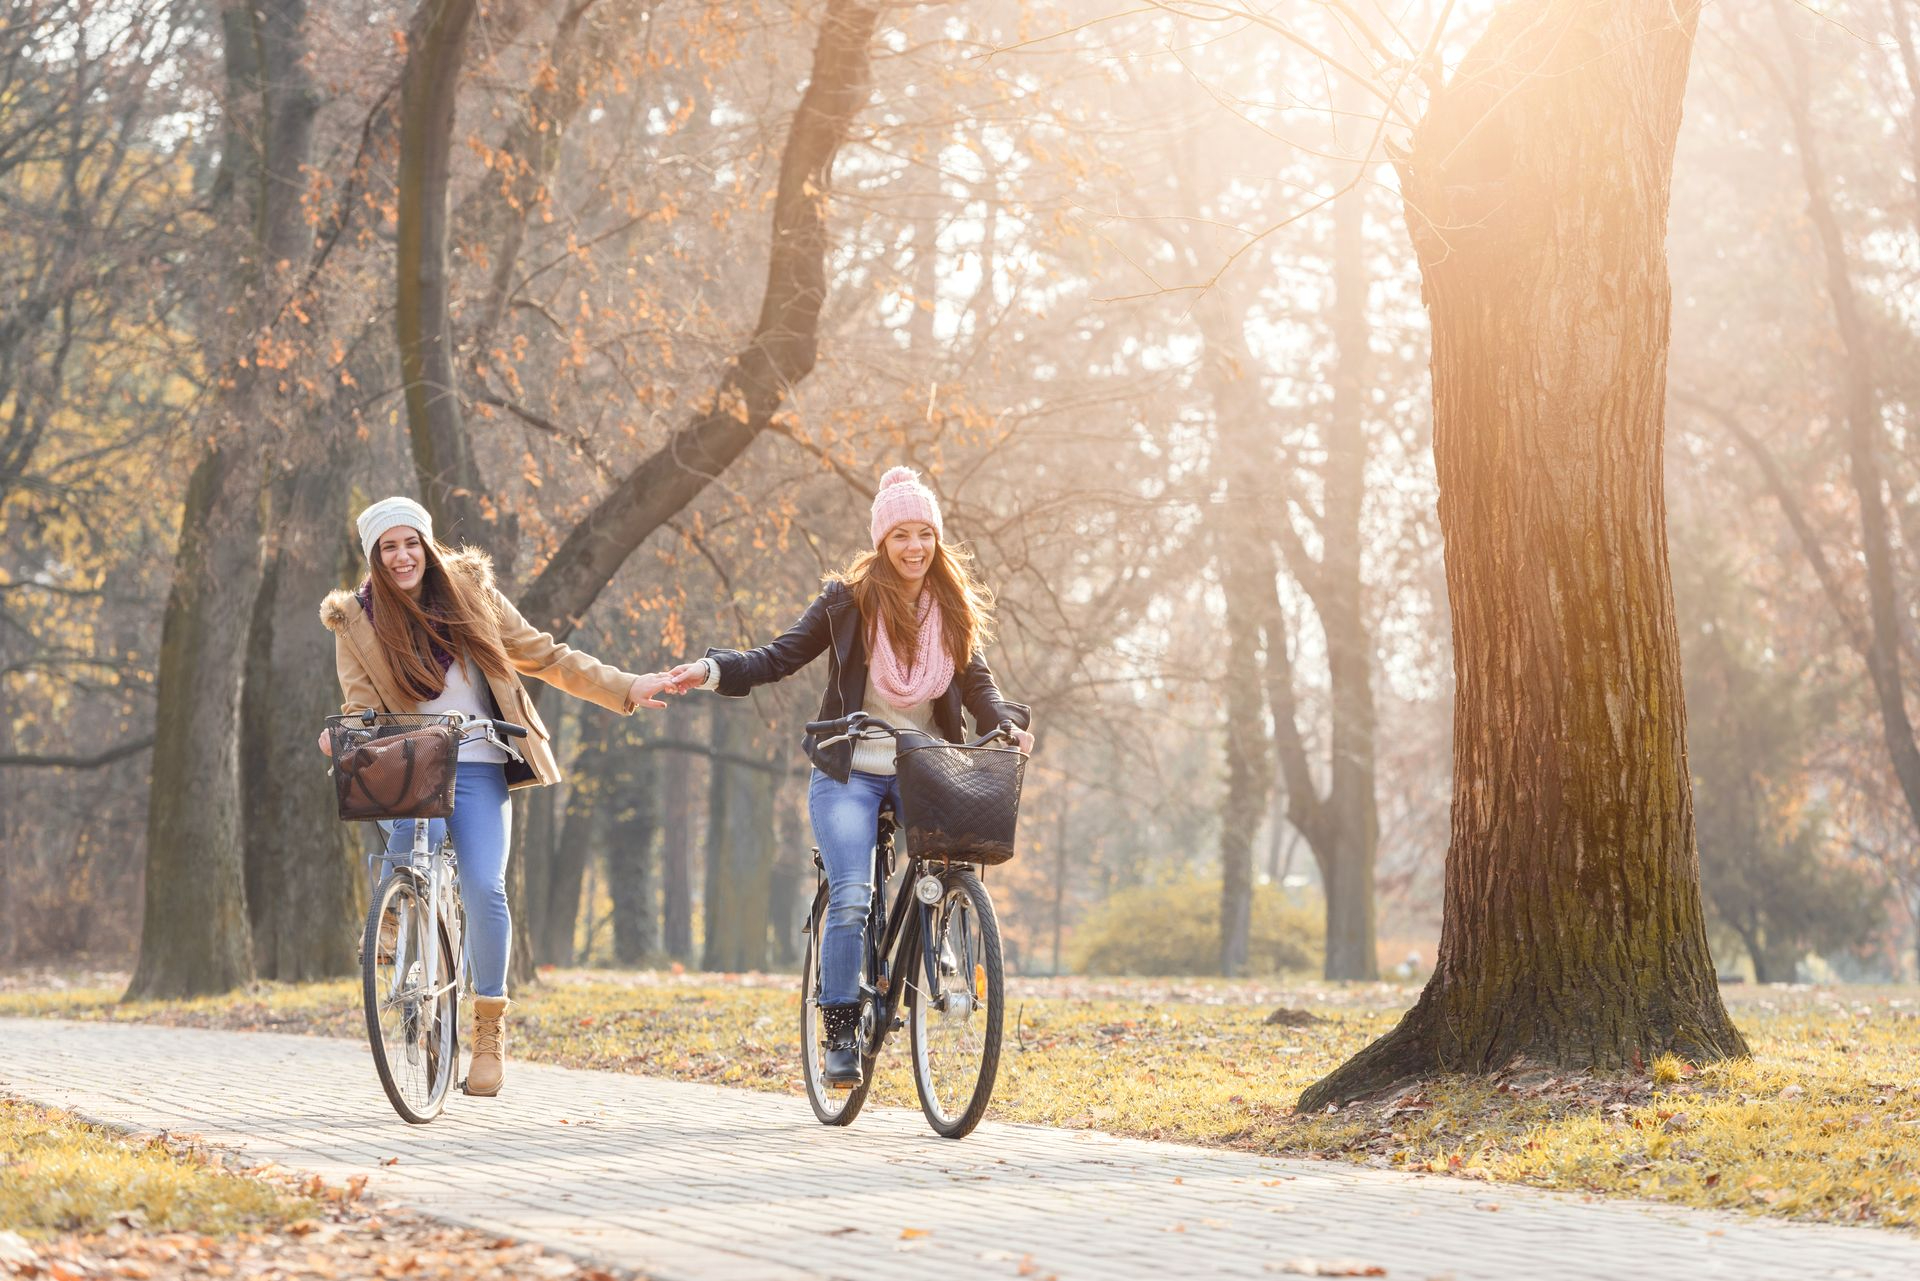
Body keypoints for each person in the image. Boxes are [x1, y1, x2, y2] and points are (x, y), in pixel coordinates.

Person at [665, 467, 1034, 1089]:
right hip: (850, 770)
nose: (914, 548)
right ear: (882, 542)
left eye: (925, 534)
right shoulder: (848, 602)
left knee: (948, 870)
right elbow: (776, 658)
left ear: (936, 540)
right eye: (901, 536)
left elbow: (978, 685)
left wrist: (1007, 723)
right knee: (854, 894)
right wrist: (709, 669)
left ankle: (935, 944)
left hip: (924, 770)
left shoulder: (950, 608)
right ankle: (839, 1033)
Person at [318, 496, 678, 1096]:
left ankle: (487, 1031)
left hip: (482, 760)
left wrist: (630, 686)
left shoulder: (470, 594)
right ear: (375, 558)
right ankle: (398, 919)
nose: (402, 556)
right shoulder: (354, 621)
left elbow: (546, 656)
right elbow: (359, 703)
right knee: (409, 849)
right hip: (412, 765)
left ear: (427, 547)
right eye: (389, 547)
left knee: (486, 886)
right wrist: (343, 732)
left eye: (411, 543)